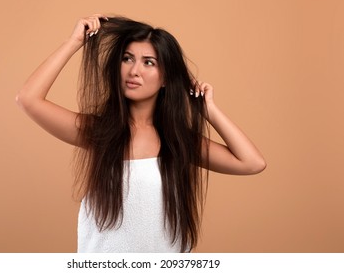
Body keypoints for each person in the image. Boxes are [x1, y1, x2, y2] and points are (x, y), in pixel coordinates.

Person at [16, 14, 266, 253]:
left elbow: (252, 163)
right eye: (127, 59)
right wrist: (74, 42)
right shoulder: (98, 132)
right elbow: (28, 99)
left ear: (166, 77)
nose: (134, 71)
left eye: (149, 62)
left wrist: (207, 109)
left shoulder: (178, 140)